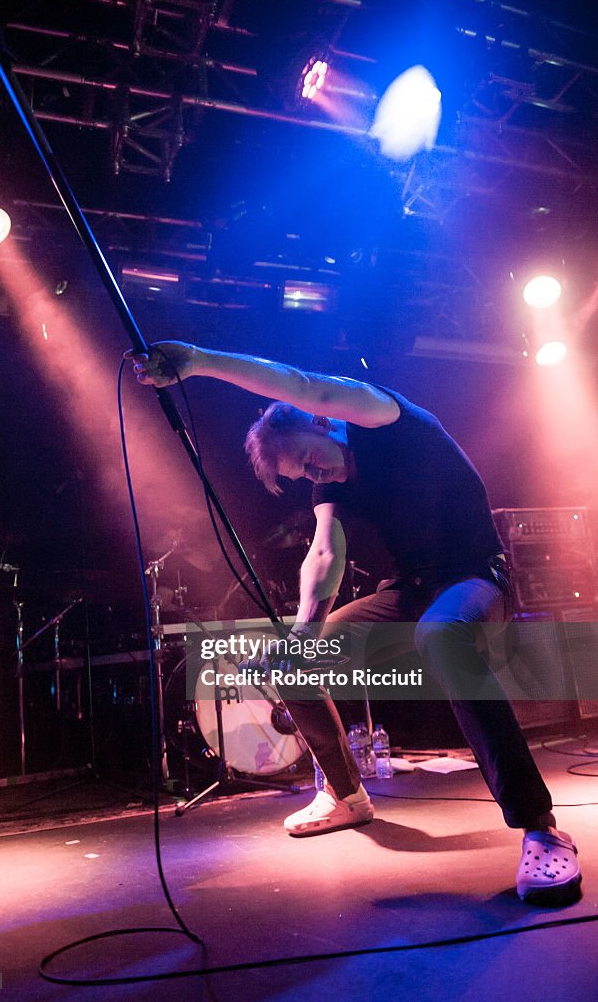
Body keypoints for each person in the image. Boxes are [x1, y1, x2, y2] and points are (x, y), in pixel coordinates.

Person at [132, 341, 582, 906]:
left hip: (474, 579)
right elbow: (324, 554)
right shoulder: (332, 483)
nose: (317, 474)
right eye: (304, 475)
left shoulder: (380, 415)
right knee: (295, 661)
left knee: (440, 634)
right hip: (411, 592)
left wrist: (197, 361)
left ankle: (541, 827)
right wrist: (302, 635)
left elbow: (300, 380)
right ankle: (346, 795)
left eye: (312, 459)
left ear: (325, 421)